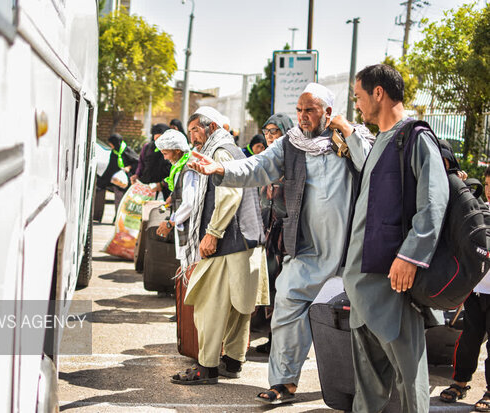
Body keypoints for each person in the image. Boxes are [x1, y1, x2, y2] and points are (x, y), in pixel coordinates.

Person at [187, 83, 374, 403]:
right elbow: (257, 167)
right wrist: (221, 168)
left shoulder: (348, 136)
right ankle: (284, 383)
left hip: (352, 250)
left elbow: (372, 165)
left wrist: (349, 131)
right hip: (309, 249)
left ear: (328, 112)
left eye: (310, 111)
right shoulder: (292, 144)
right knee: (287, 302)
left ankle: (371, 390)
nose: (302, 117)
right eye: (299, 110)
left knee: (361, 321)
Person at [343, 64, 449, 412]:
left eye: (358, 96)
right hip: (362, 287)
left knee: (409, 381)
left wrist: (409, 257)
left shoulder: (415, 137)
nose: (356, 105)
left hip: (392, 285)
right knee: (368, 387)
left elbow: (434, 202)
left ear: (378, 93)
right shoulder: (380, 141)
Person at [170, 106, 266, 385]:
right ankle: (233, 362)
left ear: (210, 127)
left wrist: (212, 233)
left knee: (207, 305)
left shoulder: (220, 152)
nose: (193, 137)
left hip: (226, 242)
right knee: (239, 308)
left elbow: (229, 196)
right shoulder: (234, 149)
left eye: (195, 130)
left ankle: (207, 367)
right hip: (246, 242)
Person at [438, 164, 490, 412]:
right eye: (488, 186)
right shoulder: (479, 210)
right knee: (469, 338)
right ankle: (460, 382)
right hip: (477, 289)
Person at [254, 112, 295, 354]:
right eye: (266, 132)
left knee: (283, 290)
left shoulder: (293, 161)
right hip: (267, 234)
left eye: (274, 131)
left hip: (285, 237)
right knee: (268, 287)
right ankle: (271, 338)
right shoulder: (264, 160)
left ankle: (280, 343)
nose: (269, 136)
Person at [153, 129, 197, 270]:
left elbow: (189, 203)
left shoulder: (188, 168)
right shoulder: (180, 166)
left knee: (190, 270)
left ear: (177, 151)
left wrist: (170, 223)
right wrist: (173, 197)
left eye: (166, 153)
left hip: (191, 231)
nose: (165, 158)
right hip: (184, 228)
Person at [97, 133, 139, 214]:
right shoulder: (114, 153)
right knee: (118, 200)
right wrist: (102, 181)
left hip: (129, 180)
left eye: (111, 144)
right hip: (118, 182)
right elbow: (110, 167)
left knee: (127, 201)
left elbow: (137, 162)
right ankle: (117, 218)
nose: (111, 146)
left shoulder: (127, 150)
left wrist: (129, 167)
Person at [131, 123, 172, 199]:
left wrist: (163, 184)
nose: (159, 142)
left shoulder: (172, 150)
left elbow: (174, 170)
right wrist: (136, 175)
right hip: (147, 188)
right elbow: (141, 163)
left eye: (161, 139)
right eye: (156, 139)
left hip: (164, 191)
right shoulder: (147, 147)